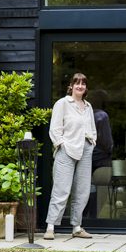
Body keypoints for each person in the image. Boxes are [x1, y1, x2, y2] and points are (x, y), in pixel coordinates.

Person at [44, 72, 97, 239]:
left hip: (85, 148)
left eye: (83, 83)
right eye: (77, 83)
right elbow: (55, 128)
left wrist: (92, 141)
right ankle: (50, 227)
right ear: (71, 86)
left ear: (86, 87)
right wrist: (61, 144)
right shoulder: (63, 103)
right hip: (66, 149)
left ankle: (77, 227)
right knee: (61, 189)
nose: (80, 86)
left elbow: (92, 128)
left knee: (82, 191)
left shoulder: (88, 106)